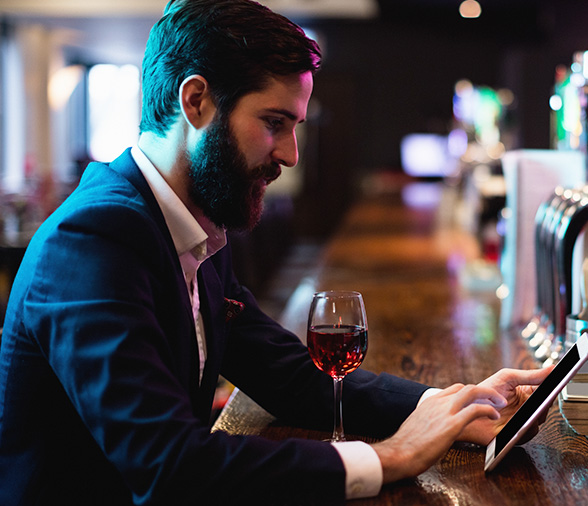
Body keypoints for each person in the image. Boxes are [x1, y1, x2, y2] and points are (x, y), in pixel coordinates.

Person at [0, 1, 552, 504]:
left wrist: (447, 406)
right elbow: (168, 467)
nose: (290, 153)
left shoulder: (194, 224)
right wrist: (392, 457)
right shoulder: (96, 239)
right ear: (195, 101)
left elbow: (288, 375)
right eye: (274, 123)